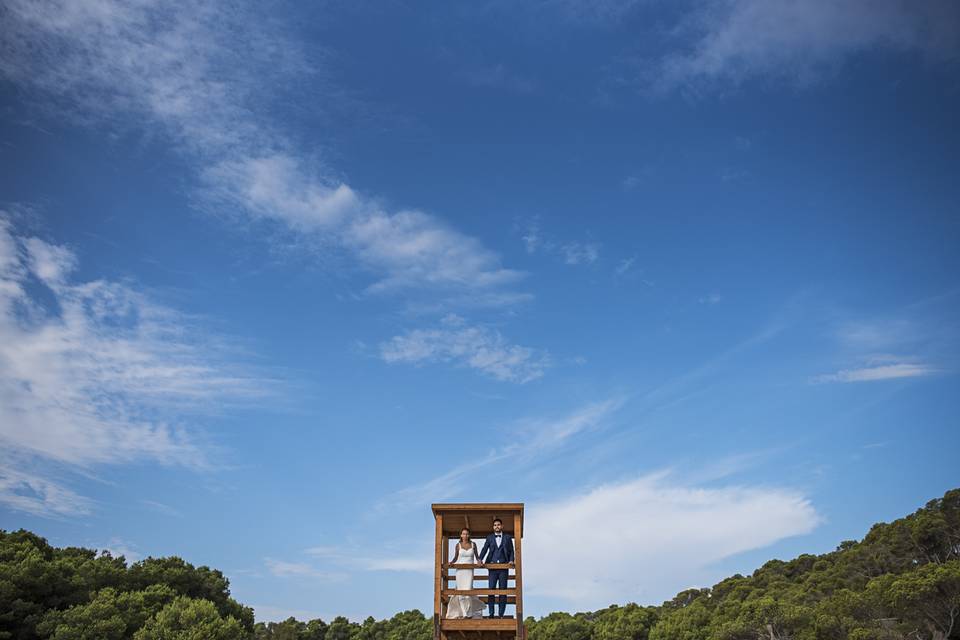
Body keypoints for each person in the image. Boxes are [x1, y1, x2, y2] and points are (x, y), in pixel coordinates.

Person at [478, 518, 514, 618]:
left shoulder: (507, 537)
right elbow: (485, 548)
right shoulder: (489, 538)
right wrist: (480, 558)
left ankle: (501, 614)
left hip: (504, 567)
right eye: (495, 525)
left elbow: (511, 551)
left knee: (503, 591)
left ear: (502, 526)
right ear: (493, 527)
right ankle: (491, 613)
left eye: (498, 525)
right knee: (491, 590)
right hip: (492, 568)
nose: (497, 526)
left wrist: (511, 560)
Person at [445, 528, 484, 619]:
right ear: (461, 535)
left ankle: (469, 612)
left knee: (468, 590)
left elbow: (477, 557)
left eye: (467, 534)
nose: (465, 535)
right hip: (460, 571)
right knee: (460, 592)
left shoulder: (473, 544)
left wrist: (479, 561)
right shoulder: (458, 545)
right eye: (463, 534)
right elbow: (455, 557)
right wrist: (451, 562)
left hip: (469, 571)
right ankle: (464, 613)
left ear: (469, 535)